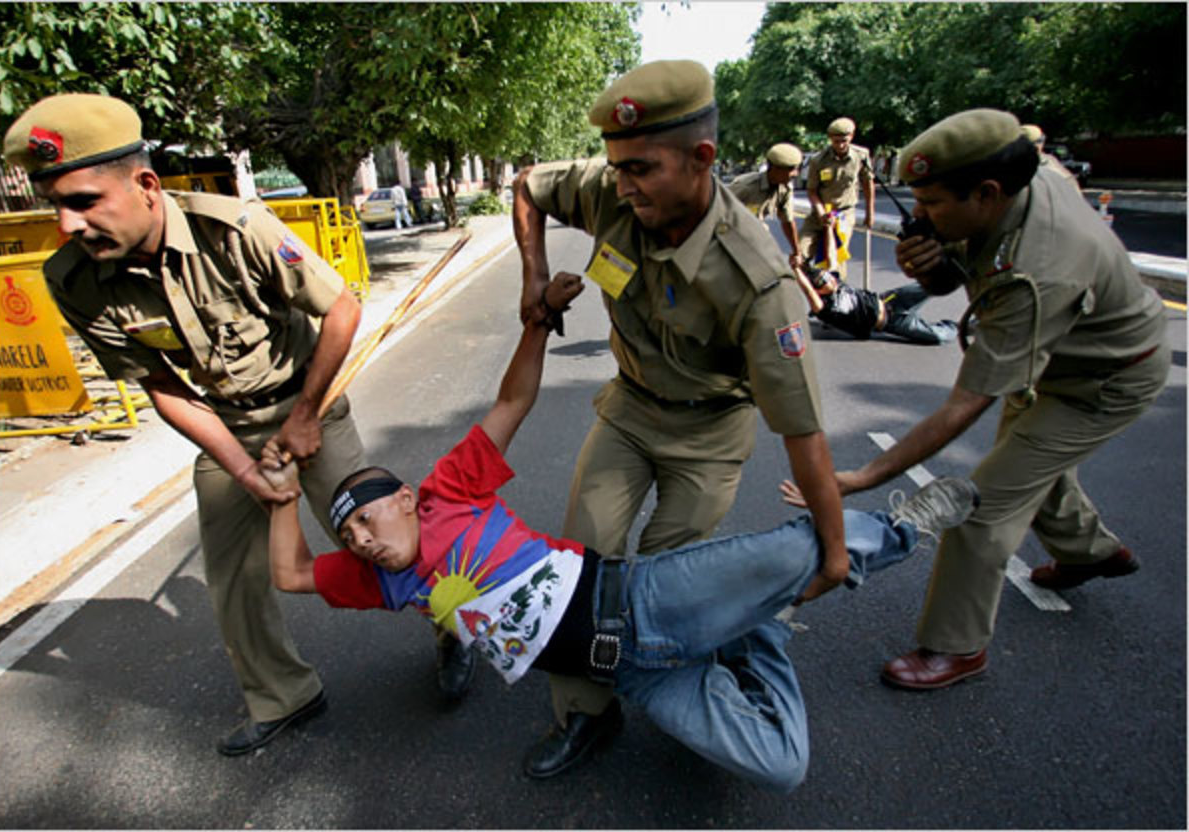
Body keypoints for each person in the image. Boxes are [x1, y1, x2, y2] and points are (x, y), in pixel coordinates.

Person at [258, 274, 981, 790]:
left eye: (365, 519)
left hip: (642, 601)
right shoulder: (385, 580)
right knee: (779, 765)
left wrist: (536, 322)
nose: (358, 539)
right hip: (632, 672)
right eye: (347, 535)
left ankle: (898, 531)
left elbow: (513, 400)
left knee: (798, 551)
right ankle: (758, 628)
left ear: (408, 500)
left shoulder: (451, 490)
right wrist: (284, 498)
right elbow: (291, 575)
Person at [2, 93, 474, 756]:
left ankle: (453, 629)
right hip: (226, 422)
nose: (67, 224)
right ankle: (285, 695)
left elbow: (340, 310)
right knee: (233, 578)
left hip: (309, 403)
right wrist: (246, 471)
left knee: (396, 544)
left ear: (143, 184)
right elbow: (164, 387)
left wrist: (307, 418)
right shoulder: (75, 281)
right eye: (53, 205)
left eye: (82, 201)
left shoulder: (235, 228)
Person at [512, 60, 846, 778]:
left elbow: (803, 432)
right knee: (582, 563)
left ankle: (714, 655)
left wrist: (834, 546)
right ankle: (587, 713)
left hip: (708, 436)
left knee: (664, 588)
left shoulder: (758, 282)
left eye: (641, 169)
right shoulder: (612, 191)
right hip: (630, 412)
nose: (621, 186)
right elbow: (527, 187)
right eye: (615, 168)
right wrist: (533, 277)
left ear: (702, 159)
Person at [781, 108, 1170, 690]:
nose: (923, 219)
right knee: (1029, 463)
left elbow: (964, 404)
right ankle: (1089, 551)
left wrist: (863, 477)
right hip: (1052, 359)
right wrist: (937, 270)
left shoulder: (1037, 270)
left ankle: (955, 648)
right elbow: (964, 265)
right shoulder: (1019, 179)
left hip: (1100, 381)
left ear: (987, 193)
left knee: (976, 503)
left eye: (934, 205)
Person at [792, 262, 957, 345]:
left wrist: (829, 227)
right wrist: (796, 271)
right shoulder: (826, 310)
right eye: (824, 281)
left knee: (935, 282)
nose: (831, 279)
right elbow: (808, 291)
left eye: (827, 275)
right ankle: (963, 327)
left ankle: (970, 274)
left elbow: (831, 255)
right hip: (892, 322)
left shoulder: (838, 283)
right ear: (818, 291)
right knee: (937, 337)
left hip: (891, 300)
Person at [801, 117, 875, 279]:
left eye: (844, 141)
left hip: (844, 214)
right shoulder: (818, 160)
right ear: (830, 139)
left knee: (835, 259)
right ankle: (809, 289)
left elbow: (868, 184)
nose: (840, 145)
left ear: (852, 137)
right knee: (801, 255)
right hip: (819, 213)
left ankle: (836, 295)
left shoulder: (861, 156)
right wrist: (821, 213)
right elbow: (812, 190)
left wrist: (870, 213)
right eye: (836, 141)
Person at [726, 143, 805, 268]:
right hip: (732, 238)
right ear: (774, 168)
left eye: (797, 168)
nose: (795, 174)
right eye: (791, 169)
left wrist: (797, 252)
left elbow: (787, 221)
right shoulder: (745, 186)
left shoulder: (785, 189)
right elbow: (717, 210)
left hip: (758, 237)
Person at [1021, 124, 1080, 192]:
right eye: (1033, 143)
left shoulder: (1050, 162)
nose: (1037, 146)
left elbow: (1070, 185)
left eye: (1039, 141)